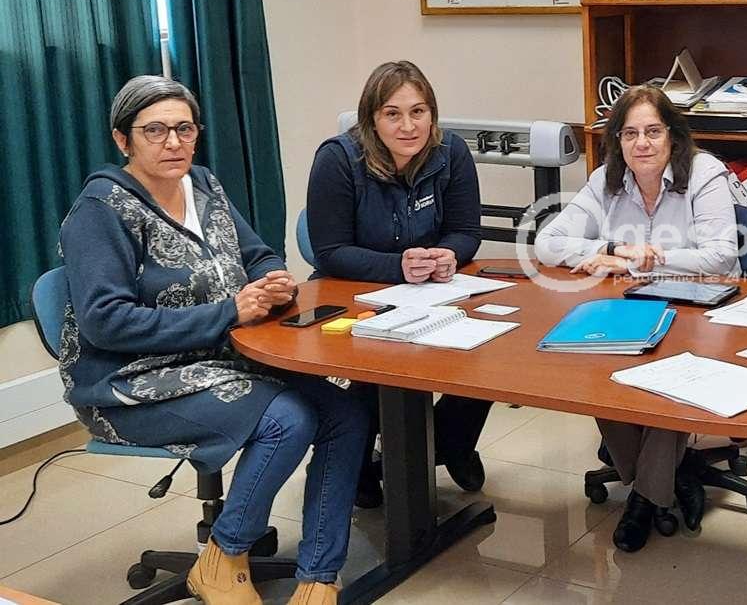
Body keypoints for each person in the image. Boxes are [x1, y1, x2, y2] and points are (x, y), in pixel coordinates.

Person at [59, 76, 366, 605]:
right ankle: (223, 557)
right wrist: (229, 311)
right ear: (122, 139)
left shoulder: (202, 184)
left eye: (184, 129)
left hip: (223, 357)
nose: (173, 142)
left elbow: (257, 254)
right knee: (288, 418)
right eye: (155, 130)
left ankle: (319, 573)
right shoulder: (101, 210)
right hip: (130, 383)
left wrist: (273, 279)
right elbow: (105, 322)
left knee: (348, 412)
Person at [535, 85, 739, 552]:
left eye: (652, 131)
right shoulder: (606, 179)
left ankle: (644, 500)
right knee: (593, 360)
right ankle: (660, 478)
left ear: (673, 136)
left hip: (701, 310)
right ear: (617, 141)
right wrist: (612, 248)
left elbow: (722, 256)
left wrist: (645, 261)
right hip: (630, 306)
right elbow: (548, 243)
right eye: (629, 134)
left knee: (672, 374)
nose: (641, 143)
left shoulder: (704, 172)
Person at [306, 61, 487, 504]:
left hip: (430, 290)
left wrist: (450, 254)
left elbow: (466, 231)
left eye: (418, 112)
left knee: (488, 351)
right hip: (353, 291)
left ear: (432, 114)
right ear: (372, 119)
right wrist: (397, 267)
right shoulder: (338, 160)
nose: (408, 126)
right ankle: (363, 460)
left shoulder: (451, 152)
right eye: (393, 114)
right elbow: (330, 251)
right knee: (380, 362)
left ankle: (447, 444)